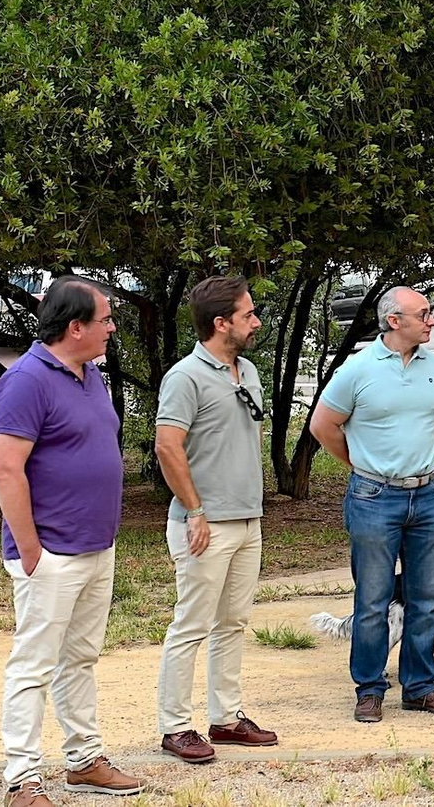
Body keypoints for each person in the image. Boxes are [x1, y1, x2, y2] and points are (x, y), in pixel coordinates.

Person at [0, 278, 144, 807]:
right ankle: (23, 780)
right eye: (104, 319)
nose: (112, 328)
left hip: (96, 545)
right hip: (51, 553)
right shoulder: (26, 381)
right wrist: (31, 550)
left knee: (80, 658)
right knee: (34, 665)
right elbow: (6, 469)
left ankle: (83, 760)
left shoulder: (92, 375)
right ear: (74, 327)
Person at [309, 286, 434, 724]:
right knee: (373, 600)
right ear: (395, 321)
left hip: (428, 496)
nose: (432, 320)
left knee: (427, 597)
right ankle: (370, 688)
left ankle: (419, 687)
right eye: (424, 314)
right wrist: (363, 465)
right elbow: (323, 425)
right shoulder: (358, 370)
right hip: (374, 497)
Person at [154, 277, 277, 763]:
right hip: (204, 522)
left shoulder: (247, 370)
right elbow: (168, 446)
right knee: (192, 624)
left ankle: (226, 718)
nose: (256, 321)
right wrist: (195, 510)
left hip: (248, 518)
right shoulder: (185, 376)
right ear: (220, 322)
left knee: (233, 622)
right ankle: (175, 726)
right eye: (248, 315)